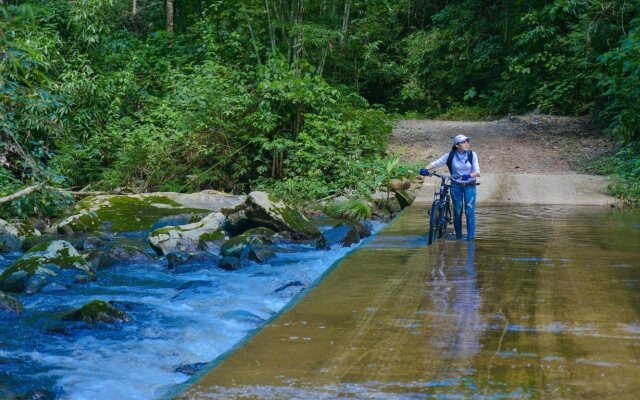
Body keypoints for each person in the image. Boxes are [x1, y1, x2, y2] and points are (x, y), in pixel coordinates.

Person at [420, 134, 480, 240]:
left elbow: (477, 171)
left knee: (469, 212)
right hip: (455, 186)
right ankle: (459, 238)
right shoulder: (450, 155)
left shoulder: (472, 154)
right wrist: (425, 169)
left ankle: (470, 240)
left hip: (469, 186)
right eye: (464, 142)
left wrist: (468, 176)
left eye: (467, 142)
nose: (467, 144)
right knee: (457, 211)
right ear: (457, 145)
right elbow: (436, 163)